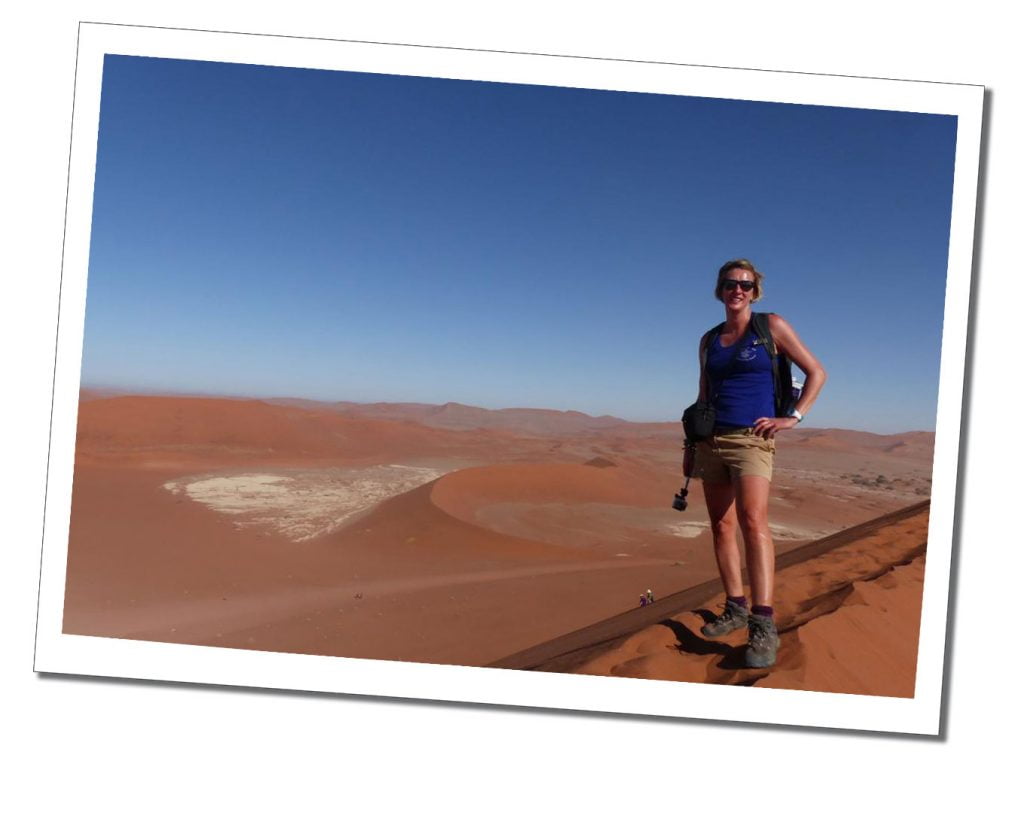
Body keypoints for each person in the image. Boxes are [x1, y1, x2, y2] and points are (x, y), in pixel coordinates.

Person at [683, 259, 826, 668]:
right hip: (712, 440)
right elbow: (703, 390)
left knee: (752, 521)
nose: (737, 290)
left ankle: (763, 623)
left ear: (755, 290)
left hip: (753, 439)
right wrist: (692, 442)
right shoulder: (709, 340)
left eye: (745, 284)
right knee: (721, 525)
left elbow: (817, 372)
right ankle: (735, 606)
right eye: (730, 284)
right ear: (720, 290)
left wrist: (794, 416)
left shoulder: (771, 327)